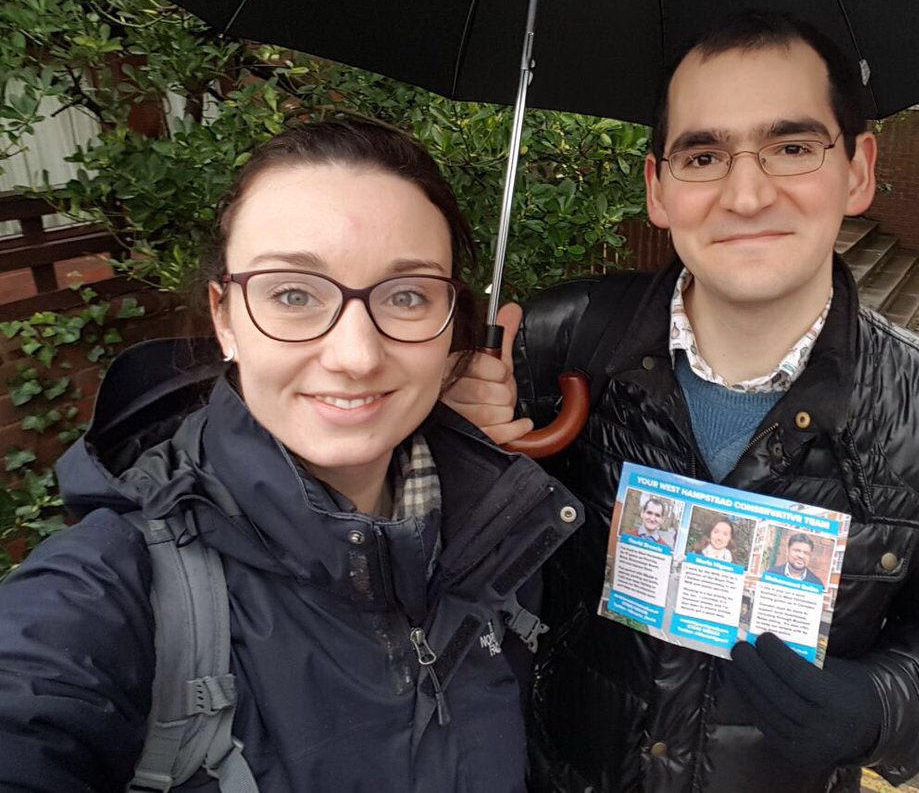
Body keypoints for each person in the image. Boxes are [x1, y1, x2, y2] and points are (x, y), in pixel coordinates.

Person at [444, 11, 919, 792]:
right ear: (659, 189)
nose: (748, 193)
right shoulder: (555, 344)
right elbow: (443, 570)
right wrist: (456, 446)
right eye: (703, 154)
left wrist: (881, 708)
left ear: (858, 169)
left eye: (792, 147)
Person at [0, 118, 583, 792]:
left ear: (451, 324)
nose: (357, 356)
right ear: (224, 317)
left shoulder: (500, 535)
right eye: (295, 295)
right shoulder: (111, 595)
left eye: (407, 296)